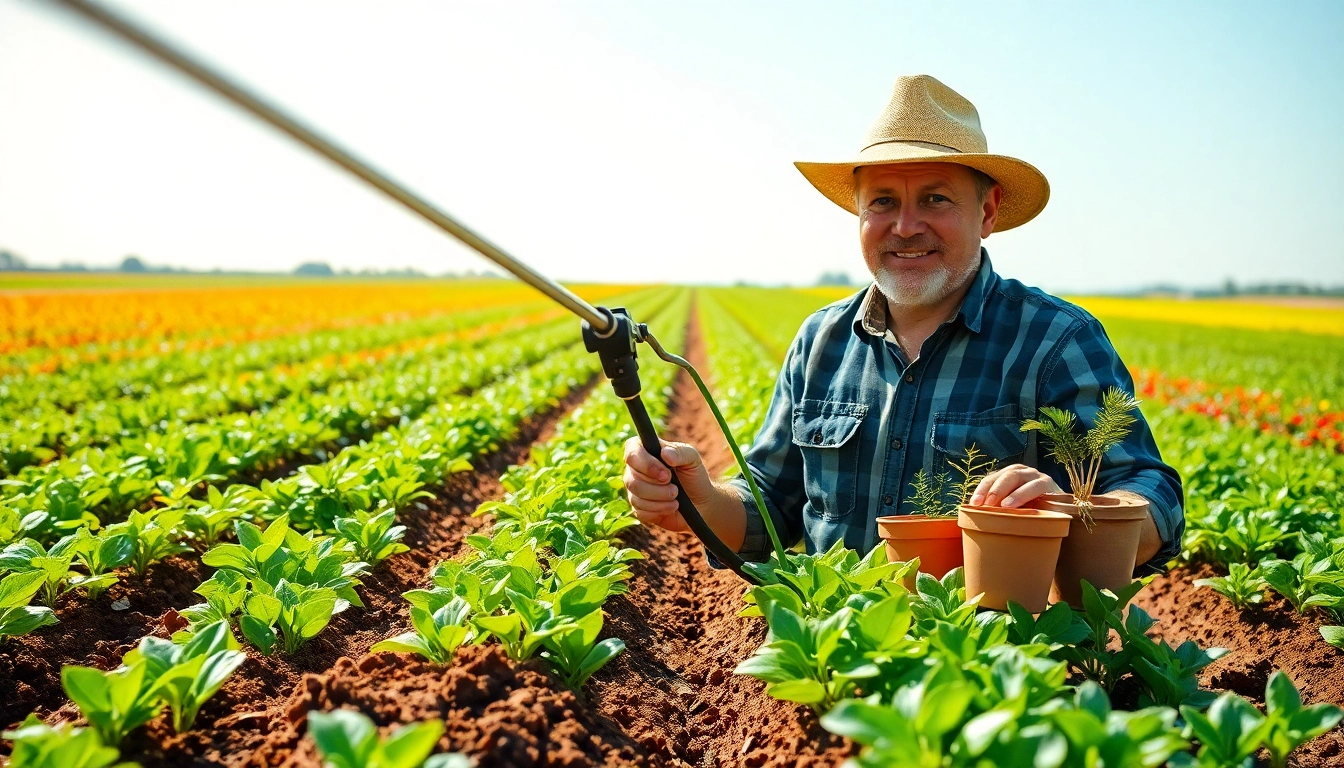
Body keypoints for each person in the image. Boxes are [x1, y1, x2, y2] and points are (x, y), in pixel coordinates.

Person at [623, 75, 1183, 574]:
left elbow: (1151, 493)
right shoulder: (821, 342)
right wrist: (694, 498)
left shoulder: (1055, 341)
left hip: (989, 666)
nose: (905, 226)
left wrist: (1069, 510)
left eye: (935, 199)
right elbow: (771, 504)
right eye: (884, 201)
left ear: (986, 213)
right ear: (860, 215)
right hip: (839, 663)